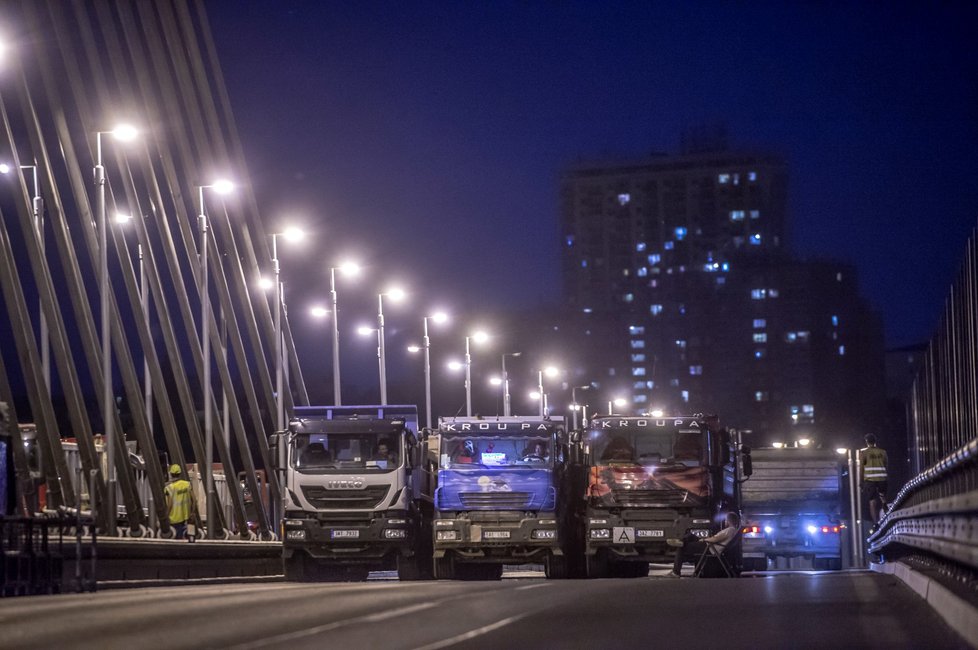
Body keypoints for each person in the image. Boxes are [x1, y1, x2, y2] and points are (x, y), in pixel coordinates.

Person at [668, 511, 741, 577]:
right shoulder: (733, 530)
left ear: (728, 521)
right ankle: (681, 541)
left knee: (681, 548)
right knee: (690, 535)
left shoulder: (729, 530)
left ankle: (676, 572)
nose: (725, 521)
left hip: (709, 547)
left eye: (725, 520)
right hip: (709, 545)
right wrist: (705, 539)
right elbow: (716, 538)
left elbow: (715, 539)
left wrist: (704, 539)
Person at [859, 433, 889, 525]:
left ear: (866, 442)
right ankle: (886, 510)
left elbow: (861, 469)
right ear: (875, 441)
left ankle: (876, 523)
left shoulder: (864, 453)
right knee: (882, 497)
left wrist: (861, 482)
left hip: (870, 480)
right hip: (882, 478)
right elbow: (886, 465)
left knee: (872, 501)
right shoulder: (883, 452)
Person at [164, 464, 194, 541]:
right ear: (180, 473)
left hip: (174, 517)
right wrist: (192, 512)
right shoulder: (187, 484)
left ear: (171, 474)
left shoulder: (169, 488)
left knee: (176, 538)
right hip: (185, 515)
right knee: (186, 534)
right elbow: (194, 500)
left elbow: (170, 504)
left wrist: (166, 515)